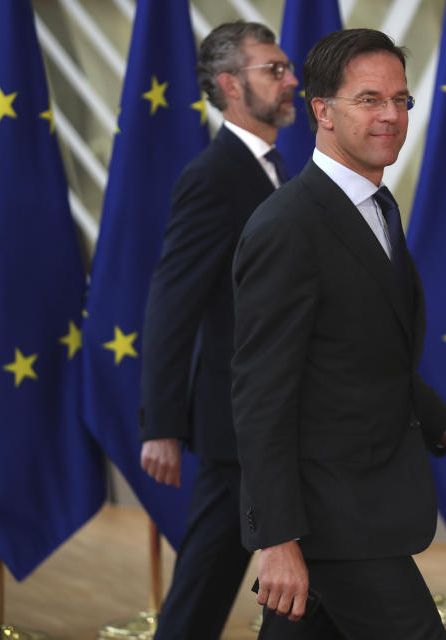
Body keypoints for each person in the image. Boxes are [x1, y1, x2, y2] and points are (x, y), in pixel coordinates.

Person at [231, 28, 446, 640]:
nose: (391, 115)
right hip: (333, 519)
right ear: (321, 111)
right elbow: (260, 394)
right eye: (369, 99)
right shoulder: (288, 227)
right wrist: (276, 538)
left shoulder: (379, 209)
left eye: (401, 100)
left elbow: (367, 359)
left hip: (363, 509)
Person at [138, 21, 299, 640]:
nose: (290, 82)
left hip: (280, 418)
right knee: (202, 591)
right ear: (231, 85)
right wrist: (163, 425)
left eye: (287, 69)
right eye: (274, 71)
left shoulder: (276, 166)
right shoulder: (213, 175)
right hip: (237, 429)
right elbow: (172, 303)